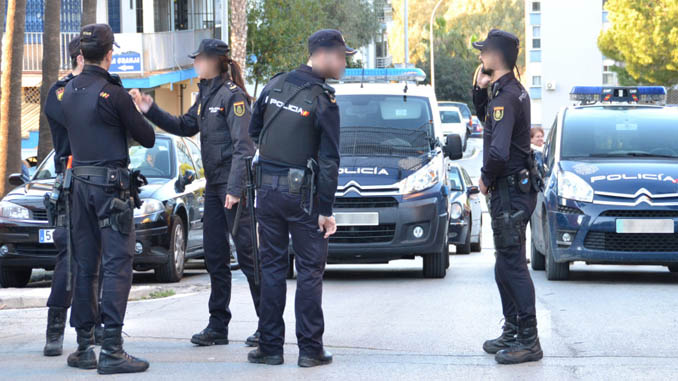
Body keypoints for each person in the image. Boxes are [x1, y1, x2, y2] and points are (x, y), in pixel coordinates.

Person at [130, 38, 262, 348]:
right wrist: (151, 109)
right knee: (214, 256)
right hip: (214, 188)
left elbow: (244, 147)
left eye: (199, 59)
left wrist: (234, 189)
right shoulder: (205, 95)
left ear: (215, 60)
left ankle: (268, 324)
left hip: (234, 188)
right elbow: (184, 125)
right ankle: (218, 326)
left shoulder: (233, 97)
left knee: (248, 256)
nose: (194, 64)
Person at [246, 29, 349, 368]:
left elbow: (254, 131)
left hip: (267, 192)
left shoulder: (274, 85)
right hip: (302, 197)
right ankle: (309, 350)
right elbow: (330, 161)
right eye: (341, 56)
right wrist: (326, 210)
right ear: (324, 54)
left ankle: (270, 347)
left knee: (273, 268)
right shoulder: (323, 100)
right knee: (308, 271)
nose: (344, 62)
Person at [60, 23, 155, 374]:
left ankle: (84, 346)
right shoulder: (113, 94)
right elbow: (146, 138)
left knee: (85, 265)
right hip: (110, 189)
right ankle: (112, 348)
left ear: (81, 55)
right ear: (110, 54)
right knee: (117, 264)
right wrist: (135, 112)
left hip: (79, 185)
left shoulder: (68, 91)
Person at [472, 29, 542, 365]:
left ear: (493, 57)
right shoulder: (507, 92)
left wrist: (485, 180)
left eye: (483, 53)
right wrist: (479, 90)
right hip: (515, 189)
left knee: (512, 264)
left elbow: (498, 153)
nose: (480, 58)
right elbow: (487, 122)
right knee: (504, 262)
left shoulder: (505, 99)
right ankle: (513, 330)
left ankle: (529, 340)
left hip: (509, 191)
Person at [42, 37, 105, 357]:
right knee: (70, 257)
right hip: (70, 181)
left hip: (98, 180)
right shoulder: (61, 91)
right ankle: (55, 328)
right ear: (81, 57)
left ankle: (90, 328)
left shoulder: (96, 89)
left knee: (96, 258)